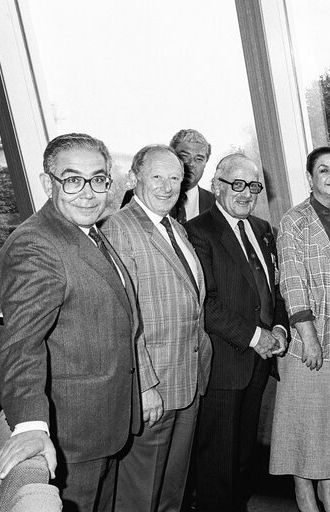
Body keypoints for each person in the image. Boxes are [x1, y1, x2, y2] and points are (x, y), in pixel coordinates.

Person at [0, 133, 142, 511]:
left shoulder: (89, 231)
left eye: (99, 179)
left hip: (103, 422)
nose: (89, 193)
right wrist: (29, 426)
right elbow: (21, 344)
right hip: (71, 435)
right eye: (73, 180)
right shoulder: (36, 243)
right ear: (48, 183)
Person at [100, 144, 212, 512]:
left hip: (187, 382)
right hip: (154, 390)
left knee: (171, 493)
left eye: (175, 178)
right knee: (139, 495)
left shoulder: (175, 228)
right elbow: (122, 319)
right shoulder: (118, 228)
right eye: (157, 177)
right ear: (134, 179)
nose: (167, 187)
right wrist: (144, 386)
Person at [185, 153, 288, 512]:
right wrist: (257, 337)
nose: (246, 194)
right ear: (217, 186)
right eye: (237, 185)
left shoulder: (262, 229)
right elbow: (206, 303)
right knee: (218, 465)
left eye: (254, 186)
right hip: (224, 368)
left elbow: (274, 290)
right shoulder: (197, 232)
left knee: (243, 458)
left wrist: (278, 327)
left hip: (257, 366)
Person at [270, 147, 330, 512]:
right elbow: (291, 281)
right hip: (313, 337)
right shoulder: (294, 220)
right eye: (323, 169)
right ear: (310, 177)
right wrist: (308, 338)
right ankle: (304, 494)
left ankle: (329, 492)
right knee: (305, 424)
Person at [121, 129, 215, 221]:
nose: (191, 164)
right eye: (184, 156)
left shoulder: (214, 202)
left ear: (206, 162)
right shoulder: (137, 195)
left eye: (199, 159)